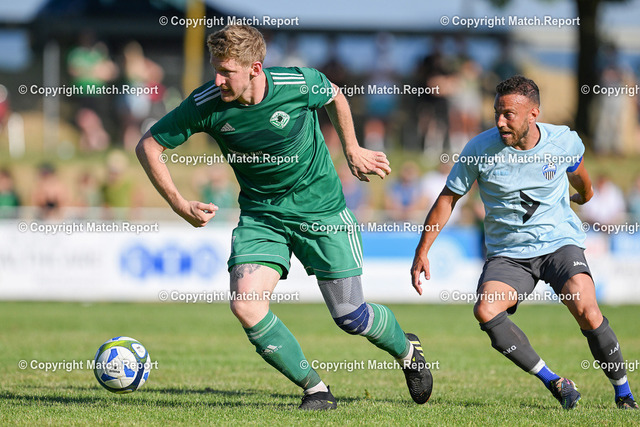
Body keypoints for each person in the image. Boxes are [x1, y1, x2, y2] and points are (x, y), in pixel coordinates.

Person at [136, 24, 432, 410]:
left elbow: (335, 95)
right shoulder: (206, 102)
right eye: (215, 69)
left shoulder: (297, 83)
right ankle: (316, 390)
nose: (218, 80)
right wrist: (179, 203)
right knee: (246, 305)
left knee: (350, 316)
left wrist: (352, 148)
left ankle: (408, 351)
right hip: (262, 216)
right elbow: (149, 145)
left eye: (226, 71)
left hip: (322, 210)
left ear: (255, 69)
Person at [410, 75, 638, 410]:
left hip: (559, 244)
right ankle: (555, 382)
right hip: (509, 254)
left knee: (587, 311)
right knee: (486, 310)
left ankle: (624, 393)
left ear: (533, 114)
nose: (500, 122)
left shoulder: (562, 141)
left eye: (508, 114)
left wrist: (586, 195)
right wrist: (422, 250)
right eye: (497, 113)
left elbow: (579, 173)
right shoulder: (479, 149)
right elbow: (448, 199)